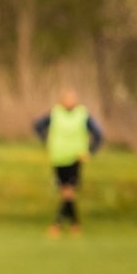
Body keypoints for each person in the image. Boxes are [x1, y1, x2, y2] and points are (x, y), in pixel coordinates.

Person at [33, 88, 103, 237]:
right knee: (65, 193)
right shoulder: (55, 114)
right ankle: (74, 224)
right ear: (62, 100)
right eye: (67, 99)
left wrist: (90, 151)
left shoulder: (82, 115)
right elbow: (37, 126)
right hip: (58, 156)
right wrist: (47, 141)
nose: (70, 102)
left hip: (75, 157)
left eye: (73, 99)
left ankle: (57, 224)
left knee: (68, 192)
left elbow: (98, 134)